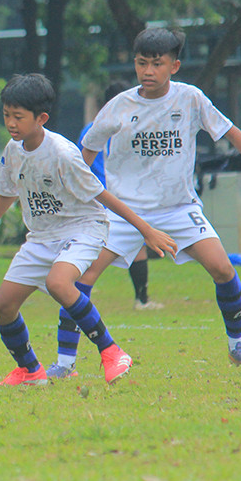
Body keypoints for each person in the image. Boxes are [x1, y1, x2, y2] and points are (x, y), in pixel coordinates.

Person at [51, 27, 241, 378]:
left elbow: (233, 135)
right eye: (141, 63)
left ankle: (238, 346)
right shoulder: (118, 106)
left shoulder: (191, 99)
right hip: (124, 213)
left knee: (223, 269)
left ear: (174, 66)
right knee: (80, 278)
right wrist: (72, 202)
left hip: (179, 208)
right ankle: (64, 364)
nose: (148, 71)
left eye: (156, 63)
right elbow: (84, 156)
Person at [0, 73, 176, 387]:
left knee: (59, 283)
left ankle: (111, 351)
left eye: (18, 117)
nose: (10, 123)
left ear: (42, 118)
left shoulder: (63, 154)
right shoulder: (13, 150)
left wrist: (146, 230)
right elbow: (7, 193)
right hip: (41, 236)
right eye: (7, 115)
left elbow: (102, 195)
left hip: (83, 228)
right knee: (3, 305)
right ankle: (30, 370)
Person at [49, 79, 163, 379]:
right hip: (105, 206)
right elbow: (80, 169)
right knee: (79, 280)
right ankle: (66, 360)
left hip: (129, 205)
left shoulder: (135, 127)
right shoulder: (98, 129)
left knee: (134, 251)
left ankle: (142, 299)